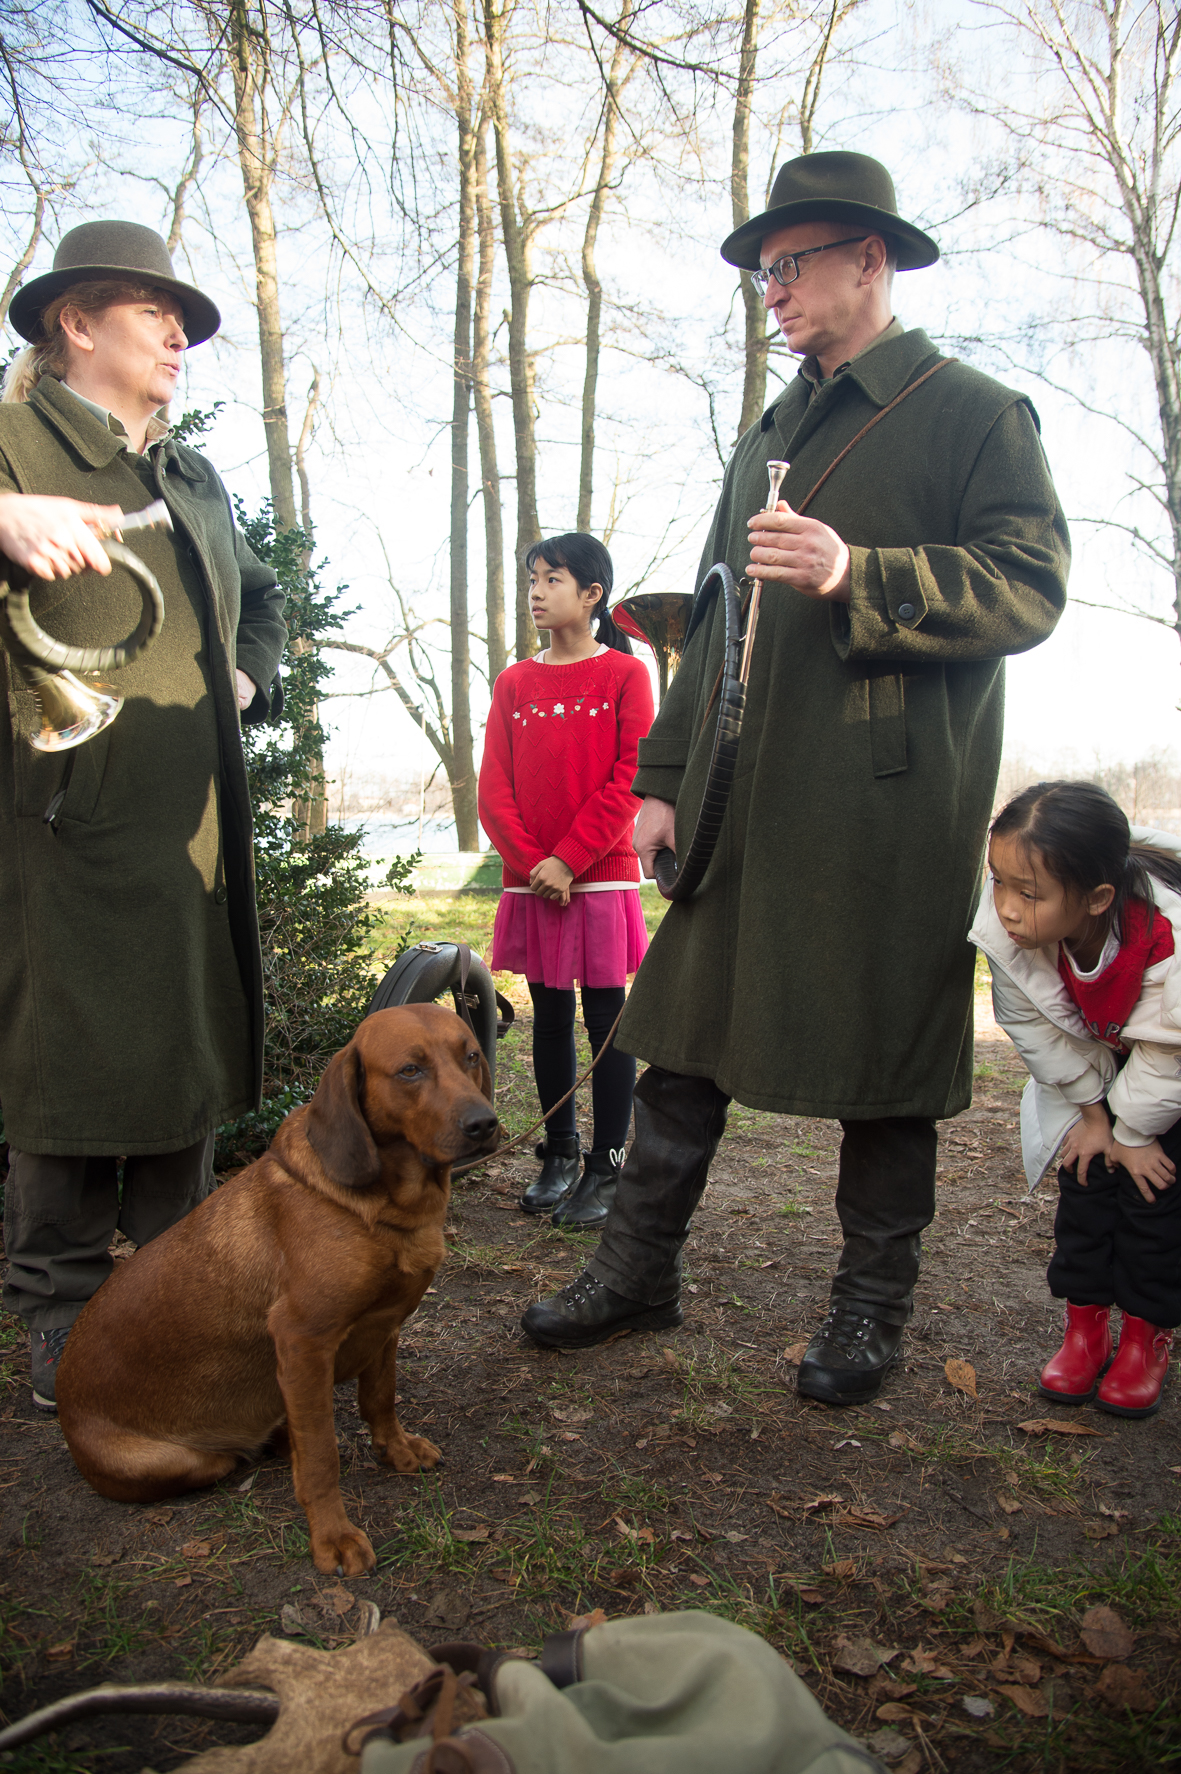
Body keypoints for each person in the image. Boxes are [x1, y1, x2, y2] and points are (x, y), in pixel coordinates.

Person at [521, 151, 1070, 1403]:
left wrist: (855, 572)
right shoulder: (765, 431)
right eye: (763, 271)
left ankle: (869, 1310)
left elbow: (1028, 586)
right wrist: (662, 777)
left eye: (791, 264)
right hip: (741, 796)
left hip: (884, 801)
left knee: (884, 1061)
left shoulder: (972, 412)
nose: (770, 289)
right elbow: (712, 615)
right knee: (680, 1038)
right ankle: (636, 1270)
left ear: (868, 260)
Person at [0, 220, 287, 1411]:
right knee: (63, 1053)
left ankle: (177, 1293)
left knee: (184, 1047)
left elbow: (260, 594)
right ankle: (60, 1310)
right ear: (76, 322)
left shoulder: (193, 473)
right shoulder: (12, 439)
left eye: (183, 322)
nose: (178, 337)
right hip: (57, 825)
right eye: (153, 314)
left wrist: (250, 677)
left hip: (192, 827)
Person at [971, 783, 1181, 1418]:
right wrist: (1093, 1116)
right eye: (998, 882)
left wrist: (1133, 1133)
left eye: (1028, 894)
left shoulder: (1167, 938)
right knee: (1084, 1176)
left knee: (1154, 1196)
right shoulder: (1006, 927)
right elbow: (1032, 1025)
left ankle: (1145, 1335)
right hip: (1098, 1066)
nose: (1007, 907)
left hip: (1169, 1072)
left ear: (1097, 899)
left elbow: (1169, 1048)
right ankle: (1084, 1330)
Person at [478, 534, 654, 1227]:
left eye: (553, 578)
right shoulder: (513, 683)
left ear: (591, 594)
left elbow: (630, 776)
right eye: (532, 578)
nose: (536, 591)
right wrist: (534, 863)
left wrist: (571, 858)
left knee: (606, 1020)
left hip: (599, 878)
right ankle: (558, 1153)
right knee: (548, 1017)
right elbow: (494, 789)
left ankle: (606, 1167)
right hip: (533, 881)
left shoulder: (625, 675)